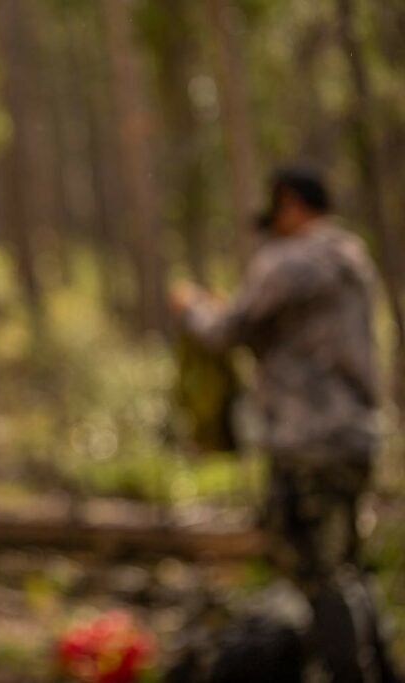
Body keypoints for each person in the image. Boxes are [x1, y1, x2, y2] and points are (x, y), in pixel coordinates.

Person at [171, 167, 399, 683]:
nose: (275, 228)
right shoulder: (351, 258)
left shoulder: (291, 261)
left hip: (307, 444)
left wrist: (192, 309)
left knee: (316, 572)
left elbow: (227, 331)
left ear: (291, 204)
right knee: (347, 568)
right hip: (355, 438)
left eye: (277, 215)